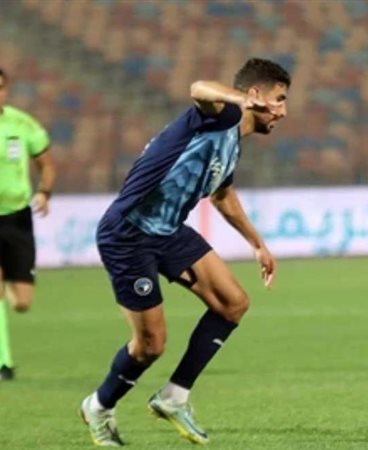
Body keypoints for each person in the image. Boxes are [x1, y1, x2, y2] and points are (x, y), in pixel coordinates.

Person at [79, 58, 289, 446]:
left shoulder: (232, 144)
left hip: (169, 231)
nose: (283, 111)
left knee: (233, 303)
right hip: (128, 233)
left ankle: (174, 397)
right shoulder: (222, 115)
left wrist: (257, 244)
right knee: (150, 346)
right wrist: (240, 100)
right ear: (255, 94)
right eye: (279, 99)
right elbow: (198, 88)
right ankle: (99, 405)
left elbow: (222, 195)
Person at [0, 67, 55, 381]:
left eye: (0, 88)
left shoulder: (22, 124)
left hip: (18, 217)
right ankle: (3, 363)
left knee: (22, 302)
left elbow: (46, 164)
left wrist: (44, 192)